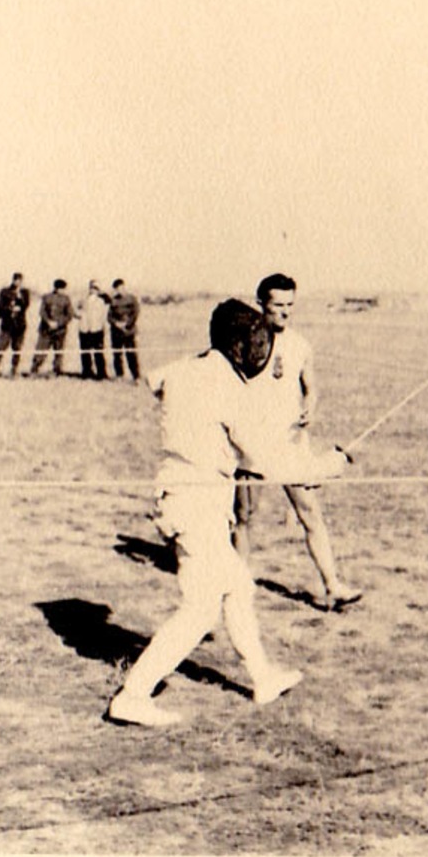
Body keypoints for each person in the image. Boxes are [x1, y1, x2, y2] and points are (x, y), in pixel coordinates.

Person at [106, 299, 350, 727]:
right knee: (200, 609)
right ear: (238, 344)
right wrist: (329, 466)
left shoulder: (188, 368)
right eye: (254, 342)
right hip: (195, 500)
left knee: (237, 585)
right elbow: (267, 462)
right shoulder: (228, 388)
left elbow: (154, 378)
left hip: (184, 493)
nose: (260, 352)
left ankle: (262, 678)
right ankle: (133, 694)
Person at [232, 273, 362, 610]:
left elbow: (311, 387)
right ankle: (237, 585)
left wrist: (311, 406)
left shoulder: (300, 344)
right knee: (245, 517)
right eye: (278, 305)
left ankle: (333, 586)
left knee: (311, 514)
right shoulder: (243, 341)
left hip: (289, 446)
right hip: (252, 447)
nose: (285, 312)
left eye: (290, 305)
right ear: (262, 303)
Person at [0, 273, 32, 378]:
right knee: (0, 348)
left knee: (17, 349)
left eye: (20, 280)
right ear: (12, 280)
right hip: (7, 325)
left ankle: (14, 370)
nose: (17, 282)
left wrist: (20, 301)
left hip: (20, 326)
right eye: (16, 280)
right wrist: (9, 308)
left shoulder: (24, 292)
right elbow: (0, 305)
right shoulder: (5, 291)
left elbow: (26, 305)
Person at [28, 278, 73, 376]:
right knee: (41, 350)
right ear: (56, 288)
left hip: (60, 331)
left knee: (59, 351)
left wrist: (59, 323)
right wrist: (48, 322)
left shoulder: (66, 299)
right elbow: (42, 312)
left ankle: (57, 370)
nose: (62, 291)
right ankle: (34, 369)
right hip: (45, 330)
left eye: (63, 289)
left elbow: (69, 315)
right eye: (60, 288)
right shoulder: (46, 297)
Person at [107, 278, 141, 383]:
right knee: (117, 354)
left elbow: (135, 313)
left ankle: (136, 376)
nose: (119, 290)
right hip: (116, 332)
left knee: (131, 354)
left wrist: (127, 324)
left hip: (128, 331)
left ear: (124, 287)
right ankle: (119, 375)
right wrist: (116, 323)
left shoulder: (132, 299)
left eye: (120, 288)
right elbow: (109, 316)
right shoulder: (113, 300)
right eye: (116, 289)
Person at [76, 280, 110, 381]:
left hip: (97, 329)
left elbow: (107, 309)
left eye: (96, 288)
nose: (93, 290)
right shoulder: (83, 300)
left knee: (98, 352)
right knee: (85, 352)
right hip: (85, 329)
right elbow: (76, 311)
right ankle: (86, 372)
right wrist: (81, 317)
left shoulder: (102, 301)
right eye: (92, 288)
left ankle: (101, 373)